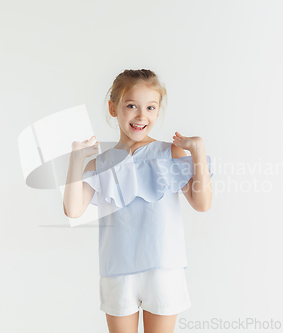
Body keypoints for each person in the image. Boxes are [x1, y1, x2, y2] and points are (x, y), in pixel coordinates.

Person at [63, 69, 213, 333]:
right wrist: (77, 160)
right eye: (131, 105)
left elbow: (201, 203)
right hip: (117, 270)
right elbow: (73, 210)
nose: (141, 116)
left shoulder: (170, 153)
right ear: (113, 108)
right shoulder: (101, 163)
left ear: (157, 111)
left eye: (150, 107)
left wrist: (198, 151)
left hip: (163, 268)